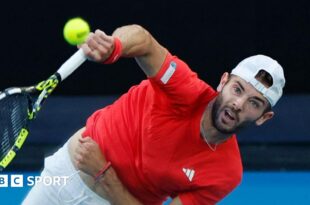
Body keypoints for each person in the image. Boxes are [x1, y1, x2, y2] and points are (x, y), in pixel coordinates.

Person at [23, 24, 285, 205]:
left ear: (263, 117)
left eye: (254, 103)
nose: (238, 104)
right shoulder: (182, 87)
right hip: (64, 176)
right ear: (223, 82)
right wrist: (114, 46)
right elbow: (144, 41)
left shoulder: (226, 173)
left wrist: (104, 175)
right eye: (237, 89)